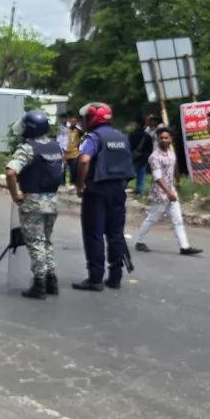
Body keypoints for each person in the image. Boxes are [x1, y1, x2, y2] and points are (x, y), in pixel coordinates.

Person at [73, 102, 134, 292]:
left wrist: (80, 184)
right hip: (119, 190)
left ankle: (95, 277)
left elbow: (84, 159)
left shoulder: (93, 137)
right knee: (116, 234)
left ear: (92, 119)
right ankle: (115, 276)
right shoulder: (121, 136)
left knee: (94, 233)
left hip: (97, 191)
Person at [3, 111, 64, 299]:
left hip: (33, 201)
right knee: (46, 240)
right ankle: (51, 279)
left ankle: (39, 284)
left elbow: (11, 172)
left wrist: (15, 195)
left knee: (36, 243)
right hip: (52, 200)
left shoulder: (27, 148)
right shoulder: (56, 147)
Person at [133, 126, 203, 256]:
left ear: (171, 139)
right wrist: (169, 192)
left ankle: (184, 247)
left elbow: (174, 167)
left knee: (178, 220)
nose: (164, 140)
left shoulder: (171, 153)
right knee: (152, 218)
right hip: (160, 193)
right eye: (161, 138)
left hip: (171, 190)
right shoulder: (155, 157)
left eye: (166, 137)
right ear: (157, 139)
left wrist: (178, 181)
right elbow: (157, 178)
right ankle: (140, 242)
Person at [128, 116, 155, 194]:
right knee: (141, 173)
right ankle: (139, 188)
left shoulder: (132, 134)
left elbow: (129, 146)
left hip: (134, 156)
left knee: (130, 172)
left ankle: (123, 186)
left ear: (138, 124)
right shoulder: (147, 135)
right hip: (143, 157)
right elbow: (150, 147)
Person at [64, 113, 83, 188]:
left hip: (75, 153)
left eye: (74, 121)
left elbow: (83, 134)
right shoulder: (67, 130)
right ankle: (66, 183)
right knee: (66, 170)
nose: (72, 122)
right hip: (66, 153)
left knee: (74, 169)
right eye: (71, 121)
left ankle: (74, 184)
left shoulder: (78, 130)